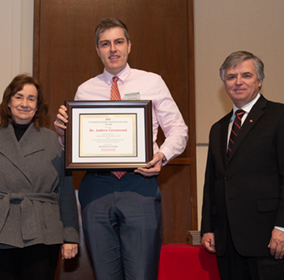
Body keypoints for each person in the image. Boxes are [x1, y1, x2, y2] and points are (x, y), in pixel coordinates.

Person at [54, 18, 188, 280]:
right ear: (97, 50)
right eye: (105, 44)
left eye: (118, 42)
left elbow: (178, 129)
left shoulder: (152, 82)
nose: (112, 49)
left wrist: (162, 155)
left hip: (140, 184)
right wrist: (62, 135)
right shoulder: (85, 90)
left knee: (141, 274)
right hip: (96, 189)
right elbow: (75, 147)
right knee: (105, 275)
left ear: (129, 46)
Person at [201, 51, 284, 280]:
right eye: (231, 77)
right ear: (224, 83)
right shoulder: (218, 128)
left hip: (272, 243)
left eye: (246, 75)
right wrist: (209, 227)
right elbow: (212, 183)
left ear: (259, 81)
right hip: (228, 245)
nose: (238, 82)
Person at [0, 74, 79, 280]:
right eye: (18, 97)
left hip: (42, 231)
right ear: (8, 102)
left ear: (38, 106)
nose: (24, 103)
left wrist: (70, 236)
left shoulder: (55, 142)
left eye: (31, 98)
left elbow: (66, 190)